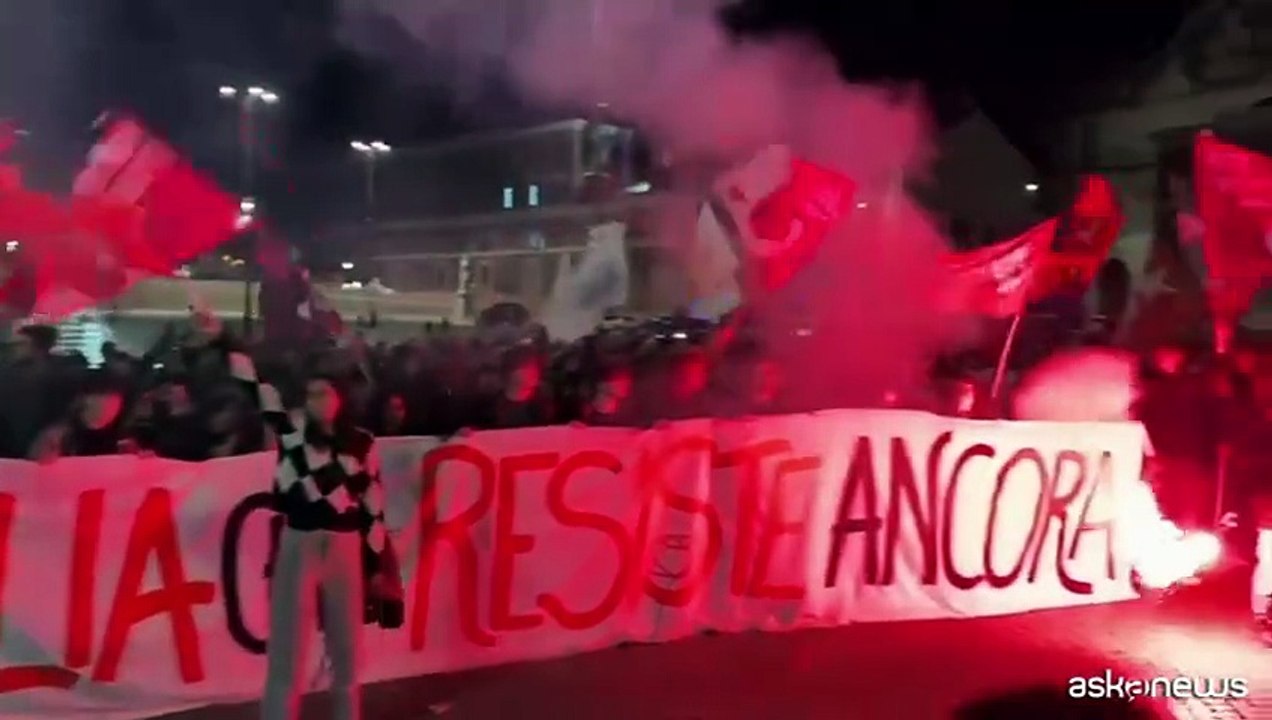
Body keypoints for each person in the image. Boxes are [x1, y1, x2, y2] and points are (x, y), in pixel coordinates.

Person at [230, 351, 394, 720]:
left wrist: (374, 567)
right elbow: (254, 387)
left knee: (348, 654)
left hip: (344, 547)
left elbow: (373, 508)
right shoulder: (290, 435)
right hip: (299, 543)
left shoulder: (362, 443)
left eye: (325, 392)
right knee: (287, 652)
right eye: (312, 394)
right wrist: (221, 338)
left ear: (340, 396)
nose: (319, 401)